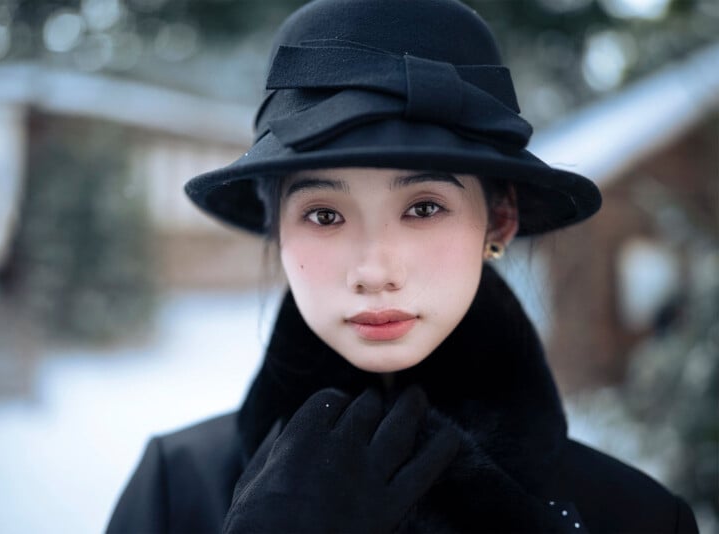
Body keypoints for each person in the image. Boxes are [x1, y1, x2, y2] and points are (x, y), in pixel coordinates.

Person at [107, 0, 699, 532]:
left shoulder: (638, 517)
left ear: (499, 222)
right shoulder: (175, 489)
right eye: (324, 215)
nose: (374, 270)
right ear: (276, 229)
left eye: (422, 207)